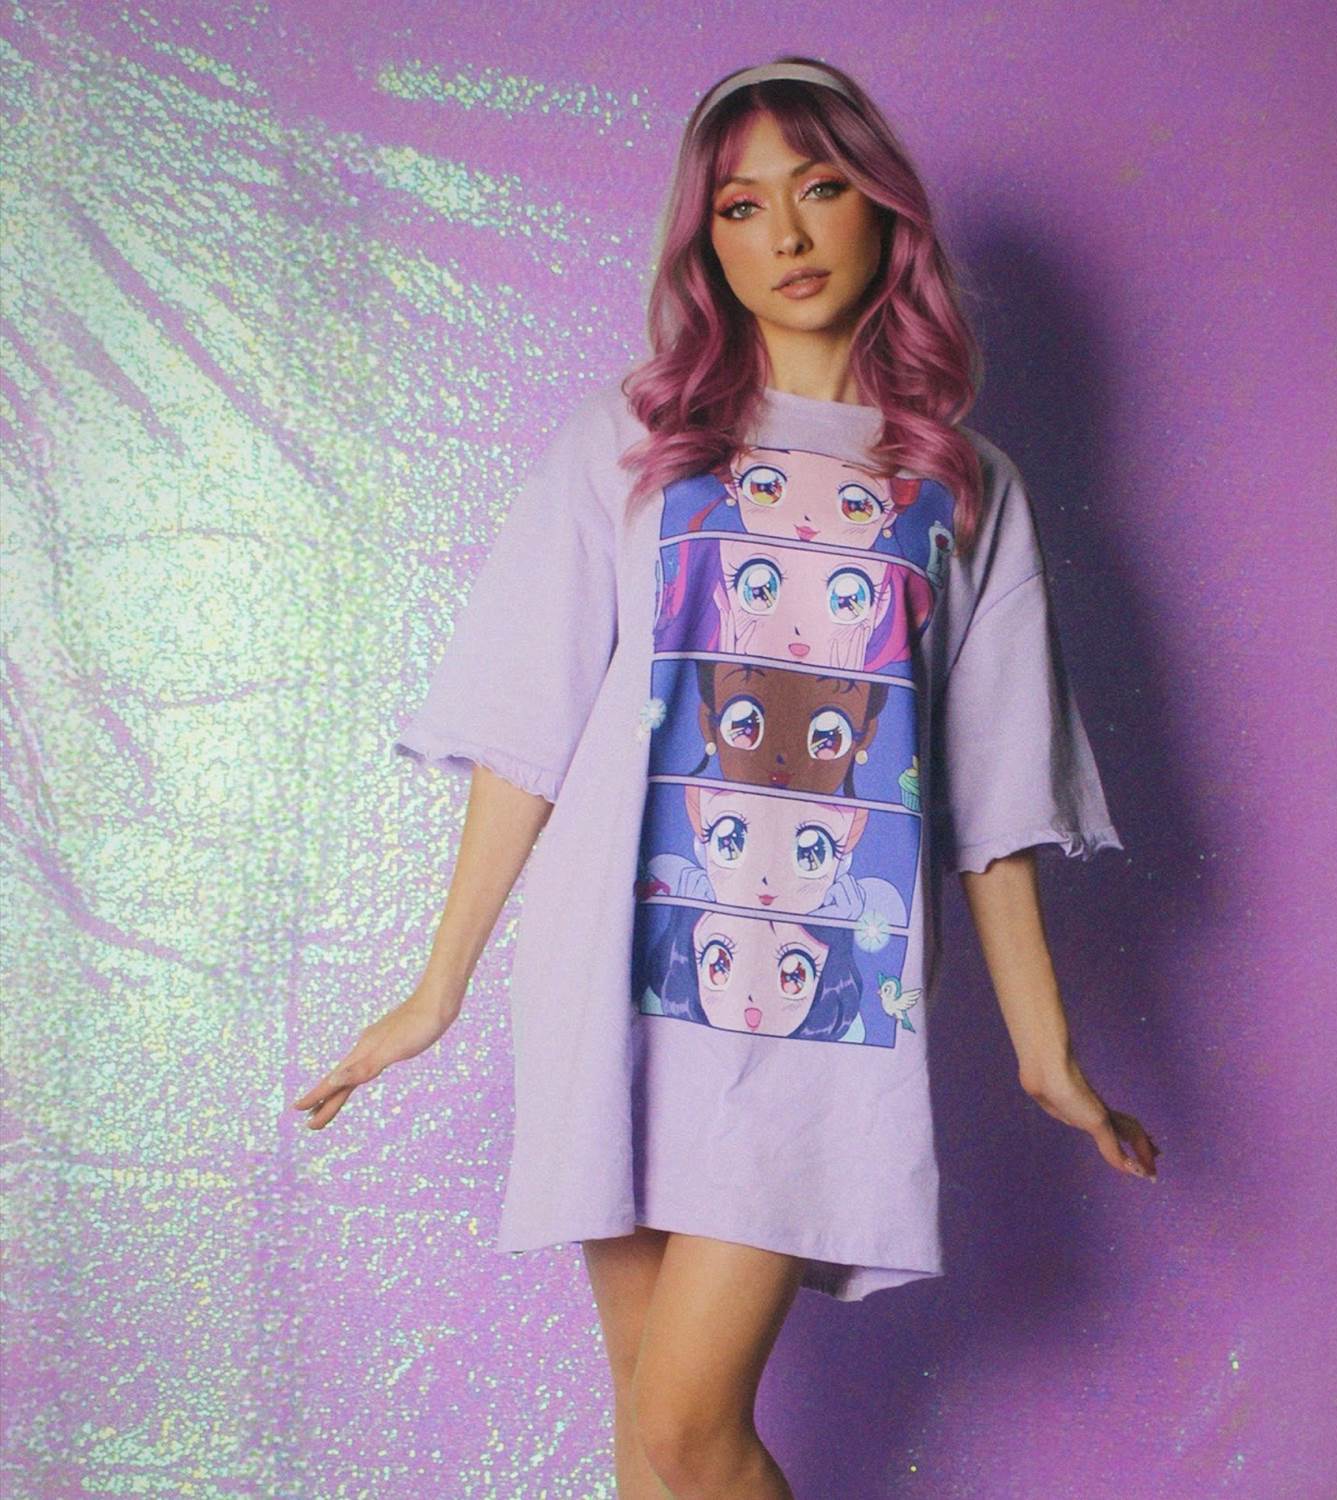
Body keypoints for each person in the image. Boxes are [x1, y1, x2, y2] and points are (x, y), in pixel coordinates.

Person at [293, 55, 1160, 1500]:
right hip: (618, 968)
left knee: (690, 1428)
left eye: (820, 190)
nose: (787, 235)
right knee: (650, 1423)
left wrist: (1043, 1053)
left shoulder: (961, 485)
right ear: (706, 239)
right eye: (743, 206)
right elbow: (528, 729)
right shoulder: (632, 441)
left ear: (885, 211)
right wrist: (437, 990)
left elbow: (995, 799)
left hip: (823, 996)